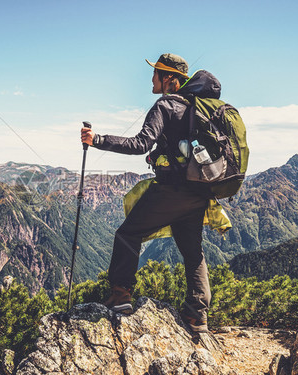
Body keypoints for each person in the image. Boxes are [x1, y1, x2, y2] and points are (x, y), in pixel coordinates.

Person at [81, 53, 222, 333]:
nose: (152, 78)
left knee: (128, 233)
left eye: (156, 73)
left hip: (172, 190)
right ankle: (197, 316)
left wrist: (97, 140)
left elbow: (140, 143)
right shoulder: (198, 107)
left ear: (169, 77)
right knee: (193, 252)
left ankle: (121, 297)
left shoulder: (166, 105)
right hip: (200, 191)